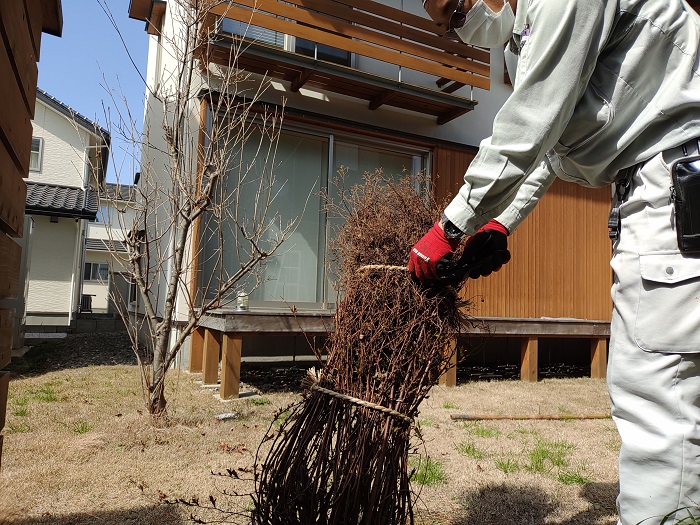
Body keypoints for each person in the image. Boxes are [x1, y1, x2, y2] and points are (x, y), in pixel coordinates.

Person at [410, 0, 700, 524]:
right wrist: (499, 224)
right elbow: (550, 140)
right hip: (663, 184)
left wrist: (450, 226)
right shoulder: (531, 28)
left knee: (658, 398)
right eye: (450, 21)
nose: (460, 21)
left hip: (672, 183)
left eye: (455, 6)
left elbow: (531, 124)